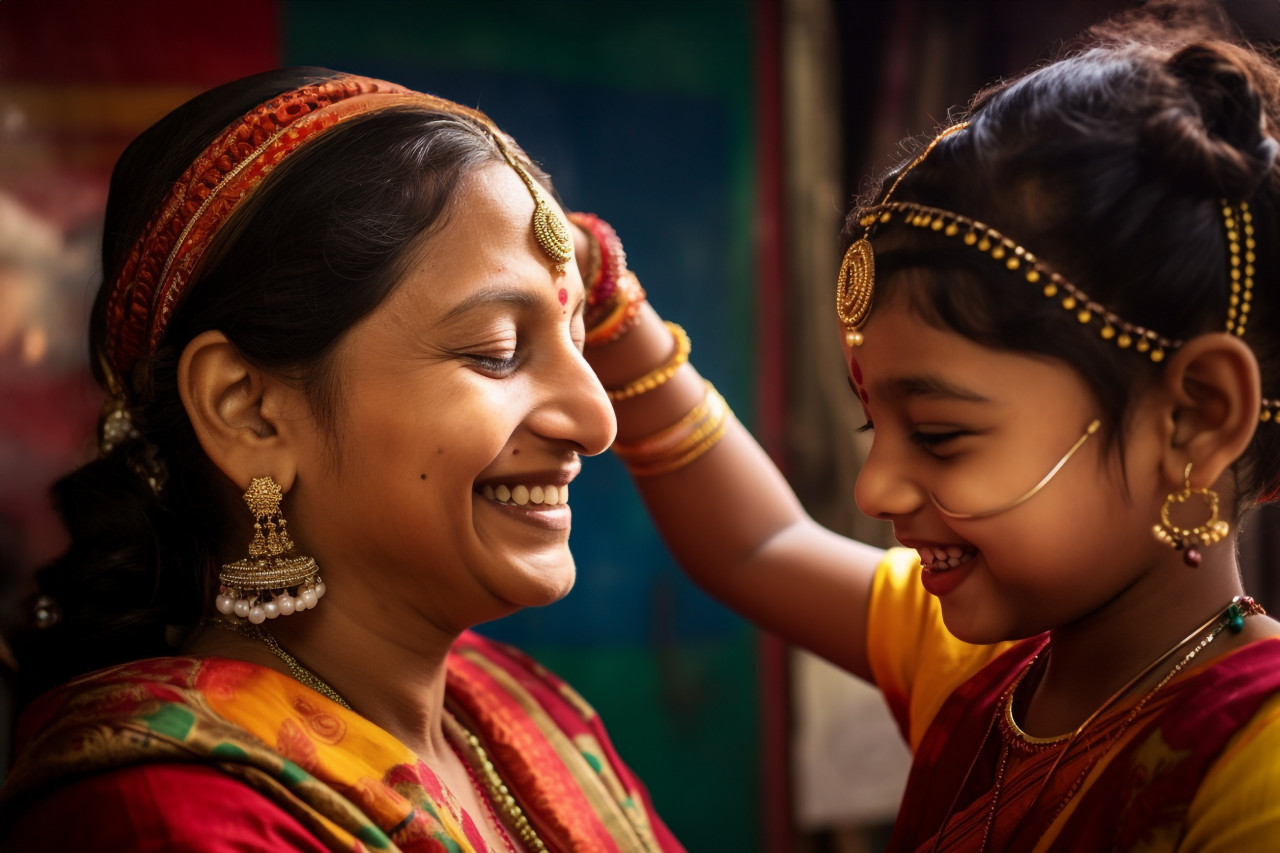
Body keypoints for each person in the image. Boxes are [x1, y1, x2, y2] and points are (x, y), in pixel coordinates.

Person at [575, 6, 1280, 851]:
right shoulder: (988, 669)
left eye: (941, 435)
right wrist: (612, 309)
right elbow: (755, 546)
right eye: (875, 426)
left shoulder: (1255, 767)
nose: (874, 488)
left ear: (1193, 418)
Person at [0, 69, 684, 852]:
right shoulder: (166, 814)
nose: (597, 420)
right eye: (497, 351)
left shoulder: (523, 711)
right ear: (248, 411)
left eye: (577, 337)